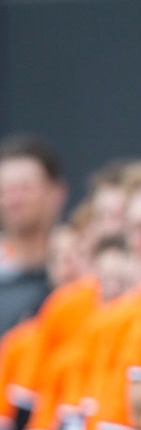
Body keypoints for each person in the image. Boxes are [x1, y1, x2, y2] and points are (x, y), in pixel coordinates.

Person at [0, 134, 66, 336]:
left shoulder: (79, 268)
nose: (15, 200)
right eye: (6, 190)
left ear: (56, 193)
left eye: (25, 188)